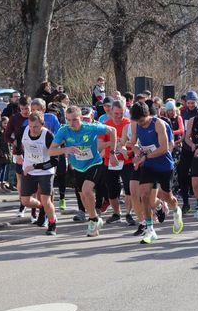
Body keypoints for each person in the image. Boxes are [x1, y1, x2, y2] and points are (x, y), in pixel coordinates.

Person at [48, 105, 119, 237]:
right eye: (68, 120)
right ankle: (95, 220)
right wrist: (66, 150)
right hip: (78, 167)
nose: (71, 123)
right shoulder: (64, 131)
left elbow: (113, 131)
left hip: (94, 164)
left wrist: (113, 153)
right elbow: (51, 150)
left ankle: (92, 220)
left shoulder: (90, 127)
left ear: (81, 118)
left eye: (74, 119)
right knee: (84, 197)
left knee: (87, 190)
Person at [130, 101, 184, 244]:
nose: (140, 124)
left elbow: (164, 148)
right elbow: (134, 143)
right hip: (148, 165)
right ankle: (150, 230)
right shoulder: (136, 124)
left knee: (167, 196)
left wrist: (145, 156)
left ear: (148, 115)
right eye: (137, 121)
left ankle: (176, 210)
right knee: (144, 194)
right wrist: (136, 152)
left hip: (164, 165)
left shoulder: (158, 124)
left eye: (142, 120)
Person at [17, 111, 58, 235]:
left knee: (46, 200)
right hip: (29, 170)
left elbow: (54, 161)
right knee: (25, 201)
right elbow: (18, 143)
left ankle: (52, 223)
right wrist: (18, 154)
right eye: (31, 126)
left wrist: (36, 166)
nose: (33, 129)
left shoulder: (48, 136)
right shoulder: (23, 130)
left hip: (46, 170)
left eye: (36, 127)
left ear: (42, 124)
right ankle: (42, 208)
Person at [100, 100, 136, 225]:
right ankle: (116, 213)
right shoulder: (106, 125)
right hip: (110, 162)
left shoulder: (129, 124)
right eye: (116, 113)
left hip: (127, 161)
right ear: (111, 112)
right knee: (111, 190)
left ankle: (129, 214)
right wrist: (114, 143)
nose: (119, 116)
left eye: (121, 113)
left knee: (129, 188)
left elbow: (135, 143)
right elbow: (99, 145)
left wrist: (125, 146)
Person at [177, 90, 198, 212]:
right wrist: (181, 139)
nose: (191, 105)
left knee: (197, 176)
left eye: (193, 103)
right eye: (189, 103)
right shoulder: (183, 112)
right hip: (186, 147)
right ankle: (185, 202)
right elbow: (184, 130)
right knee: (182, 173)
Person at [0, 116, 12, 193]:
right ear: (1, 123)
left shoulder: (7, 131)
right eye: (4, 123)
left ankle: (2, 184)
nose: (6, 125)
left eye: (7, 123)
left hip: (6, 153)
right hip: (0, 153)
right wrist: (1, 153)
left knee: (4, 169)